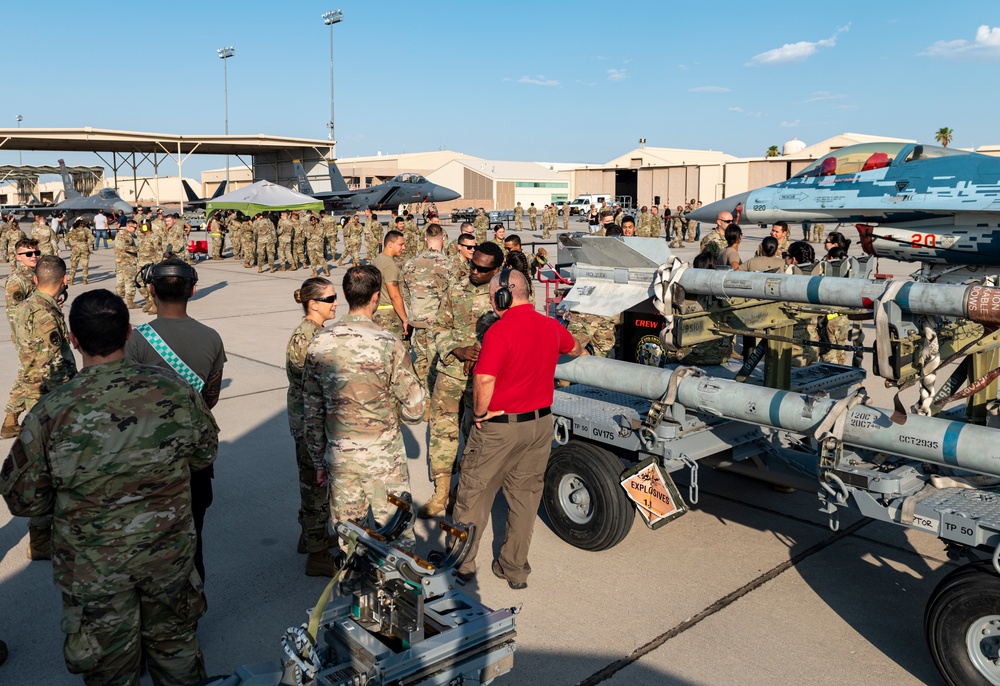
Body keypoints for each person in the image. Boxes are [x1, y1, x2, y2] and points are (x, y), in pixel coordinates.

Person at [1, 289, 218, 686]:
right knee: (177, 657)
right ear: (129, 333)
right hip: (167, 558)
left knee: (111, 672)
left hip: (96, 570)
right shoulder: (174, 390)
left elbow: (23, 497)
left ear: (74, 339)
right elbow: (204, 455)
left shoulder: (52, 410)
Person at [451, 269, 584, 588]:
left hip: (500, 427)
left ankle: (463, 564)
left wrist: (481, 412)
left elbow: (484, 379)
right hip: (539, 426)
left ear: (503, 296)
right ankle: (514, 568)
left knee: (474, 495)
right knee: (525, 498)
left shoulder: (499, 332)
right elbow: (577, 349)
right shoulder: (551, 326)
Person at [301, 265, 425, 547]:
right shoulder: (388, 343)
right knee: (396, 535)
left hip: (341, 458)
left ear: (345, 296)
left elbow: (311, 411)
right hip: (384, 458)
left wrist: (319, 460)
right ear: (376, 297)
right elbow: (416, 409)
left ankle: (356, 587)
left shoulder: (319, 343)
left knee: (350, 536)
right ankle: (395, 589)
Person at [125, 258, 226, 581]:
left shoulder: (135, 340)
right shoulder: (211, 338)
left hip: (147, 456)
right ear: (193, 290)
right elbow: (210, 397)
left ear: (151, 291)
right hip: (193, 456)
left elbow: (127, 401)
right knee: (192, 537)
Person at [420, 242, 504, 519]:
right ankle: (441, 493)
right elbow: (440, 327)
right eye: (472, 264)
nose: (474, 271)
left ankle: (462, 492)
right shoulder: (456, 289)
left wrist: (484, 355)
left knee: (475, 436)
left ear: (497, 270)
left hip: (484, 378)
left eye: (482, 269)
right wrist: (456, 349)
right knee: (443, 433)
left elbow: (513, 335)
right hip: (450, 373)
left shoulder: (505, 297)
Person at [286, 277, 340, 576]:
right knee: (316, 489)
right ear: (313, 303)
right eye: (330, 299)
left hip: (309, 422)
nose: (335, 303)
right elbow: (314, 388)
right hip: (312, 426)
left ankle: (311, 538)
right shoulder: (310, 338)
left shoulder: (312, 332)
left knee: (314, 486)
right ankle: (317, 555)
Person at [402, 224, 450, 400]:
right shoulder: (447, 265)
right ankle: (433, 401)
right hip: (437, 323)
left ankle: (423, 400)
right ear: (443, 239)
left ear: (425, 239)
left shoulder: (410, 264)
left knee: (421, 361)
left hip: (417, 319)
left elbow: (406, 293)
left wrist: (415, 308)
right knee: (436, 363)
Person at [372, 230, 409, 339]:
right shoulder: (389, 266)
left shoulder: (378, 260)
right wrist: (405, 319)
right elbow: (394, 296)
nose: (404, 248)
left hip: (377, 312)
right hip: (389, 317)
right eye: (401, 244)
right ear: (390, 244)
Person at [4, 238, 39, 338]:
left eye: (36, 252)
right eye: (28, 254)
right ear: (18, 257)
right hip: (30, 337)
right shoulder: (16, 280)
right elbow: (14, 314)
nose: (34, 256)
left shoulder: (37, 274)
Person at [113, 218, 140, 309]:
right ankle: (130, 302)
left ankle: (118, 302)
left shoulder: (119, 234)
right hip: (128, 262)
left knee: (120, 282)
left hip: (119, 262)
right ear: (129, 226)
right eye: (134, 228)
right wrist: (139, 249)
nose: (135, 230)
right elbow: (126, 248)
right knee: (130, 282)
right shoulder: (126, 235)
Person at [65, 218, 94, 285]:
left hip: (75, 248)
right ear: (81, 224)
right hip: (84, 248)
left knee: (74, 265)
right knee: (85, 265)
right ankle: (85, 280)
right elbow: (92, 239)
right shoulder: (85, 231)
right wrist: (88, 244)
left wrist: (69, 245)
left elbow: (66, 239)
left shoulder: (73, 231)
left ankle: (71, 280)